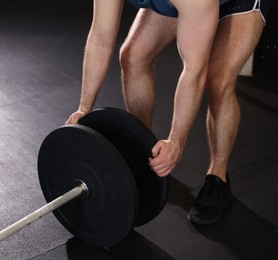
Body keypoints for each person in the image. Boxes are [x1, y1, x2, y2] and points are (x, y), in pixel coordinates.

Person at [66, 0, 272, 225]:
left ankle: (218, 178)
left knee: (217, 81)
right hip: (189, 6)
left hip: (235, 3)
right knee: (133, 56)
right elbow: (101, 38)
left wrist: (176, 141)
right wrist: (84, 108)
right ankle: (142, 151)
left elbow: (194, 70)